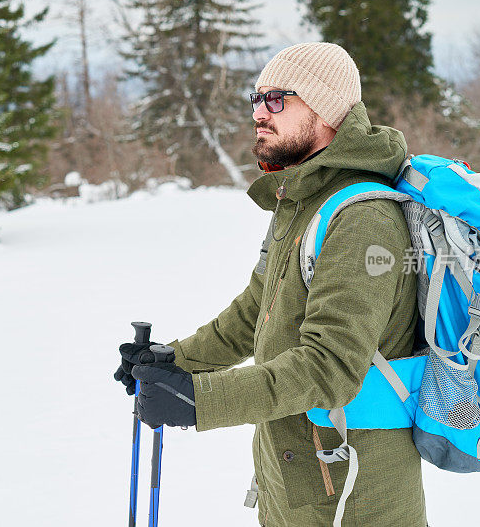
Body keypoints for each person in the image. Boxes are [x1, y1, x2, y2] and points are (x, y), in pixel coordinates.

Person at [114, 42, 427, 526]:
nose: (259, 113)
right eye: (256, 99)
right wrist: (173, 360)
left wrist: (200, 401)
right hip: (296, 486)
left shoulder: (363, 219)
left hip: (354, 501)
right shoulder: (303, 201)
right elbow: (254, 314)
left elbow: (330, 367)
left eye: (277, 99)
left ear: (325, 110)